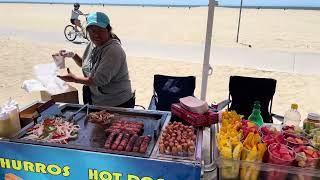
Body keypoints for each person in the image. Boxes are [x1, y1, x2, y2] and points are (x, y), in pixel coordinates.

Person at [55, 12, 135, 108]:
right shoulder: (92, 44)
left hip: (117, 103)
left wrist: (74, 79)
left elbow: (98, 80)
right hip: (98, 100)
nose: (96, 35)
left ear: (108, 30)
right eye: (92, 31)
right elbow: (85, 65)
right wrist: (73, 55)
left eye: (100, 30)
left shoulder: (113, 50)